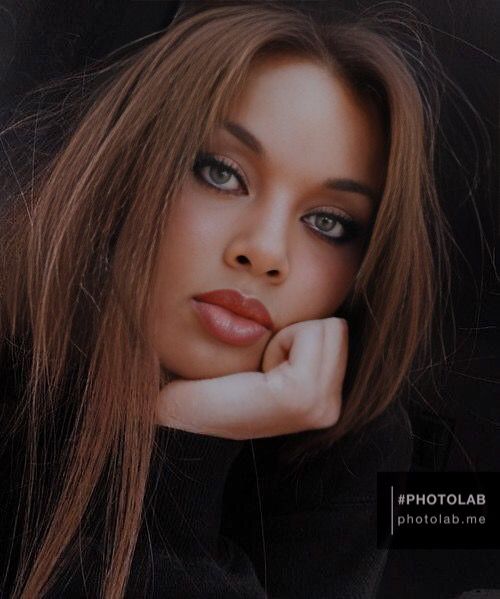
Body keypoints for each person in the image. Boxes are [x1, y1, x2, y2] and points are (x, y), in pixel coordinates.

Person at [0, 2, 452, 597]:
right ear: (128, 168)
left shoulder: (344, 451)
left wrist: (183, 435)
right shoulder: (17, 357)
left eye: (328, 221)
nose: (264, 252)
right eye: (221, 174)